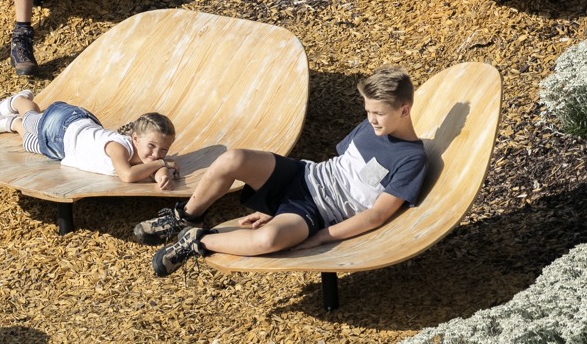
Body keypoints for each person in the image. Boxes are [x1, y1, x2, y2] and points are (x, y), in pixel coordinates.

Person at [134, 67, 427, 277]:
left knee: (268, 241)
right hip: (303, 175)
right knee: (233, 159)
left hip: (317, 211)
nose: (370, 119)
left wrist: (324, 236)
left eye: (378, 113)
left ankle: (196, 241)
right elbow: (339, 166)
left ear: (404, 110)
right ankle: (183, 216)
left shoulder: (411, 159)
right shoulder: (370, 126)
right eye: (367, 111)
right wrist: (274, 207)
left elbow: (377, 215)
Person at [0, 89, 180, 189]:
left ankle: (12, 124)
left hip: (65, 149)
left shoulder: (147, 157)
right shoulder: (117, 148)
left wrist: (162, 172)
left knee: (29, 143)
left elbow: (152, 166)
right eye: (152, 146)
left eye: (163, 150)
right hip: (63, 125)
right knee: (32, 120)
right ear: (135, 139)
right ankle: (20, 101)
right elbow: (127, 176)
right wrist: (163, 163)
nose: (155, 154)